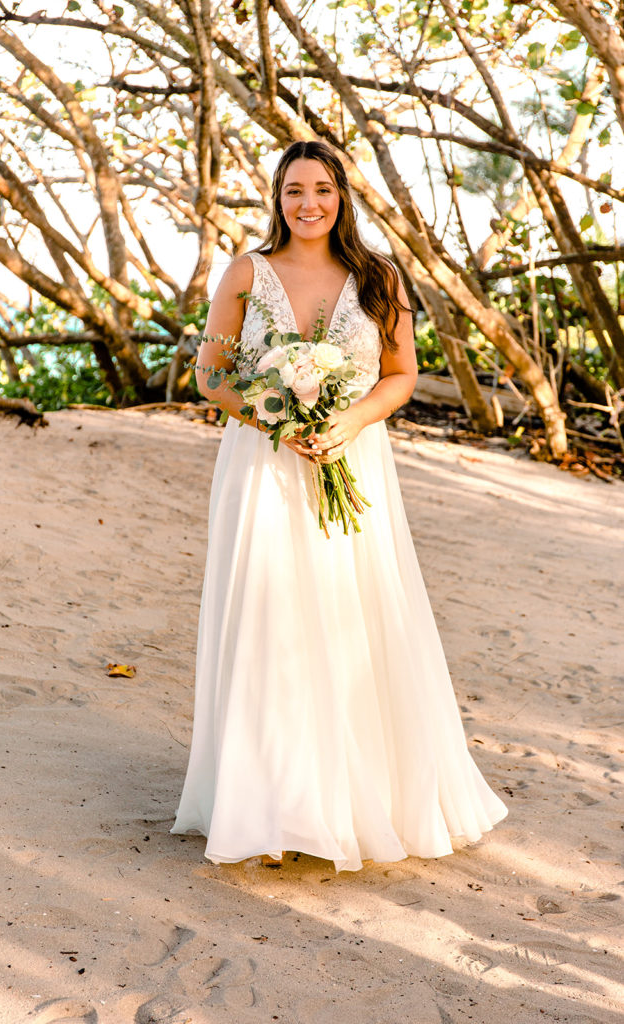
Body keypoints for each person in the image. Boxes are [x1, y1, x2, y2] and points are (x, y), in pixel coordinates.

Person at [170, 139, 508, 872]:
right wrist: (279, 423)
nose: (308, 204)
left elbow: (399, 374)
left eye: (320, 189)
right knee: (270, 619)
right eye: (293, 190)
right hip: (262, 465)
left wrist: (346, 423)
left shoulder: (378, 276)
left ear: (341, 195)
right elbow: (211, 374)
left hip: (352, 459)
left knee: (351, 617)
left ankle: (355, 797)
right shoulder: (243, 273)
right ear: (276, 198)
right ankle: (271, 803)